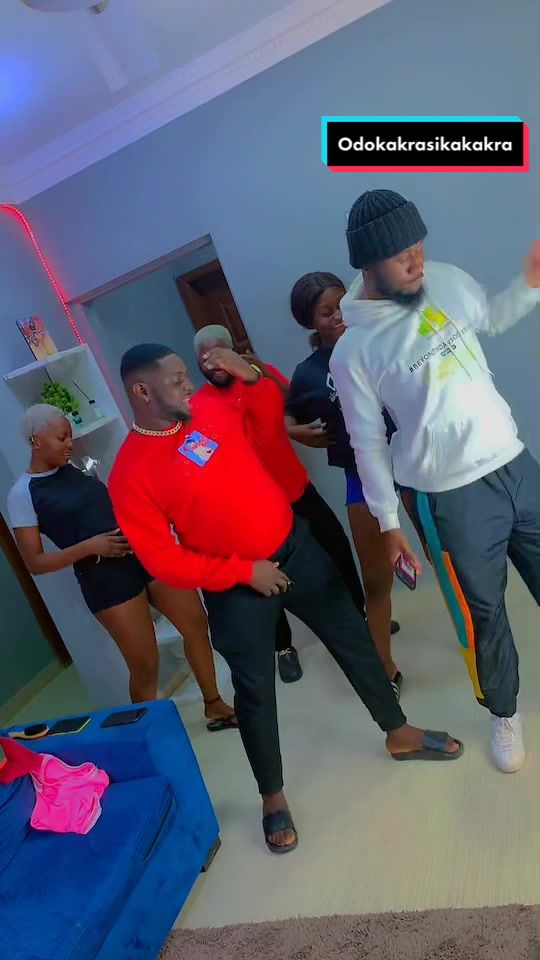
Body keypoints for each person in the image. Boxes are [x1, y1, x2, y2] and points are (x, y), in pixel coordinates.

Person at [108, 342, 463, 855]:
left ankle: (399, 731)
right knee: (254, 691)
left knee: (353, 637)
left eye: (187, 375)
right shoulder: (130, 473)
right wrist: (243, 571)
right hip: (234, 585)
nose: (188, 384)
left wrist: (250, 374)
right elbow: (162, 560)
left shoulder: (209, 405)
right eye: (176, 378)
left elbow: (270, 412)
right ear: (142, 391)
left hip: (295, 547)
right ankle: (272, 797)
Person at [330, 188, 540, 774]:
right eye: (403, 256)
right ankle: (503, 712)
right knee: (484, 613)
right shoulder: (354, 351)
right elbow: (368, 442)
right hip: (451, 495)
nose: (418, 262)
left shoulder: (443, 279)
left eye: (420, 247)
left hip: (513, 462)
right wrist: (388, 522)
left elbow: (491, 317)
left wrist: (529, 283)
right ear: (369, 266)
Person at [7, 403, 235, 731]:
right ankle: (146, 735)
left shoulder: (74, 467)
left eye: (70, 435)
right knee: (145, 663)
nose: (69, 443)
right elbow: (35, 563)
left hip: (143, 553)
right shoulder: (23, 494)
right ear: (35, 440)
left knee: (196, 622)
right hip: (105, 578)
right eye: (61, 437)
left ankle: (214, 705)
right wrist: (91, 547)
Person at [192, 323, 371, 686]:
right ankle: (283, 648)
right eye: (205, 358)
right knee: (269, 581)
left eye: (219, 353)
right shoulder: (198, 406)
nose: (213, 363)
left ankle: (361, 618)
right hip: (254, 511)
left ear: (233, 350)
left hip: (295, 489)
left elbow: (296, 401)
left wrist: (262, 381)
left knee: (336, 550)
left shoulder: (261, 375)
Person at [286, 273, 402, 696]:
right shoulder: (309, 373)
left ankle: (478, 637)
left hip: (414, 458)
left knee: (445, 554)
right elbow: (288, 413)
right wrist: (294, 431)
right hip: (362, 473)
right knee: (375, 579)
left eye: (341, 304)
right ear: (312, 323)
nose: (338, 316)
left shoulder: (378, 338)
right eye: (326, 312)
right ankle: (383, 669)